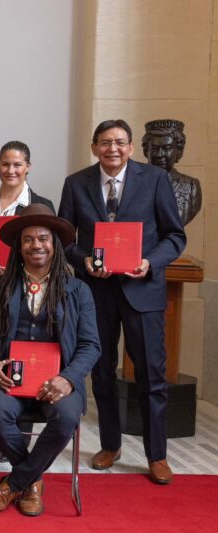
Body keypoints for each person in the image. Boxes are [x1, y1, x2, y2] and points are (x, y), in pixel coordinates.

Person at [59, 119, 185, 485]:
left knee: (152, 375)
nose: (112, 149)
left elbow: (174, 236)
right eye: (104, 142)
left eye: (119, 142)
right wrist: (81, 259)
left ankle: (156, 454)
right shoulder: (76, 183)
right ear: (94, 146)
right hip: (95, 292)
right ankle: (110, 445)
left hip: (142, 290)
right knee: (101, 371)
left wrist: (150, 263)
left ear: (131, 147)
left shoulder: (155, 180)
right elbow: (65, 238)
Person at [0, 204, 100, 516]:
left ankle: (13, 484)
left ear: (54, 244)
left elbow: (90, 345)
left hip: (57, 383)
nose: (36, 245)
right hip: (11, 381)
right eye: (28, 239)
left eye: (43, 238)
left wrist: (68, 379)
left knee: (66, 416)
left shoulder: (79, 291)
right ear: (19, 247)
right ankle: (32, 482)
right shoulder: (0, 286)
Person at [0, 141, 54, 458]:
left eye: (17, 165)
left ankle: (18, 437)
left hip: (27, 291)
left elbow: (47, 250)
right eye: (5, 164)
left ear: (28, 166)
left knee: (25, 353)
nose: (11, 170)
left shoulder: (40, 204)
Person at [141, 118, 202, 225]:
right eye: (155, 149)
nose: (160, 154)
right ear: (146, 152)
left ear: (178, 151)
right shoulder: (134, 183)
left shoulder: (191, 186)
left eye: (166, 148)